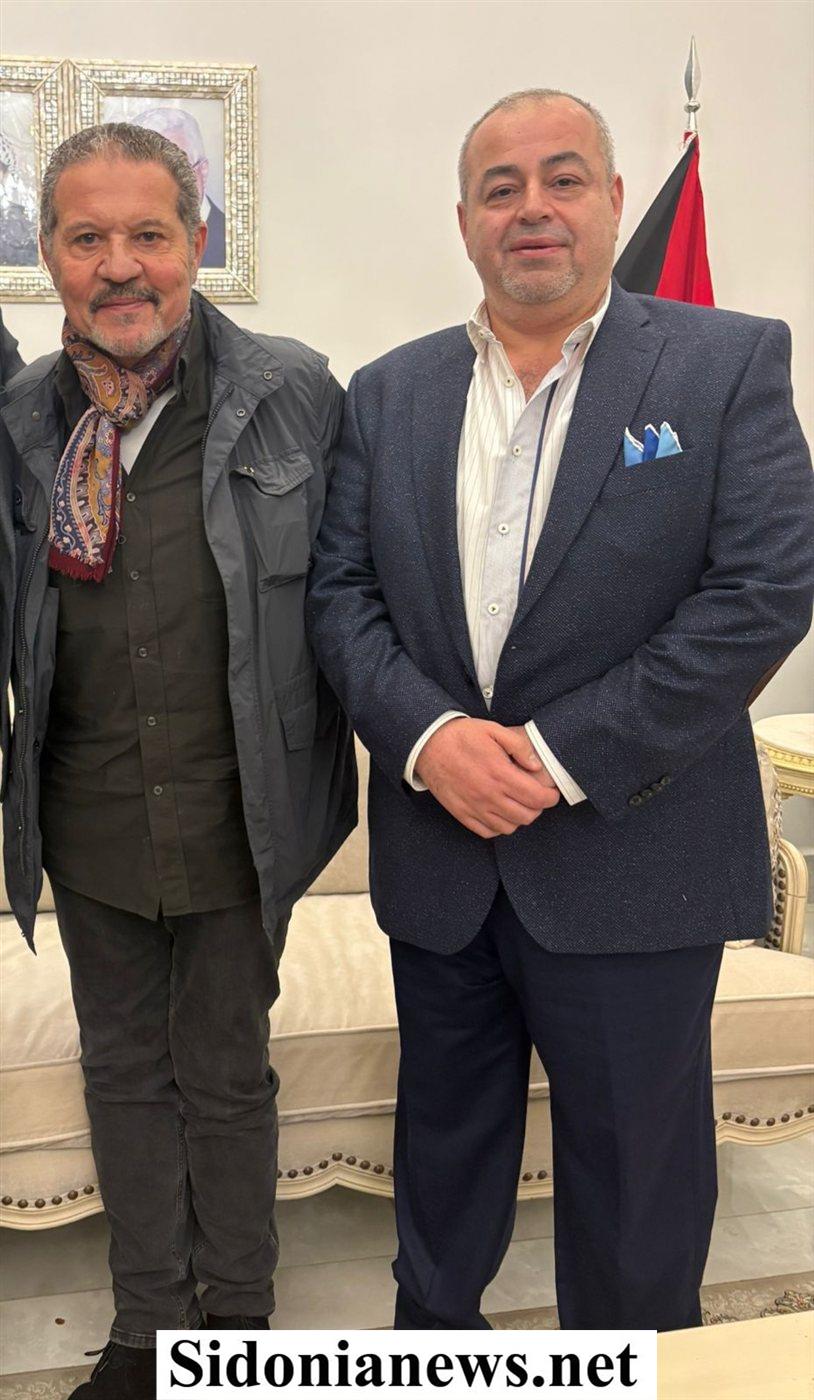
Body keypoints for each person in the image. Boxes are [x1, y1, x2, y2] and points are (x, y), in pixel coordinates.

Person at [307, 89, 814, 1333]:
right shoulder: (388, 391)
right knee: (440, 1170)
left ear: (612, 201)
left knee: (637, 1194)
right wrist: (430, 739)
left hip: (635, 855)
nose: (531, 207)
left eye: (562, 177)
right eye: (500, 187)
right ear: (465, 221)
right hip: (442, 862)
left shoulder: (723, 362)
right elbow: (339, 593)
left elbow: (762, 592)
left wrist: (552, 752)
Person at [1, 122, 355, 1398]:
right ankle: (148, 1329)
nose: (120, 264)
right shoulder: (22, 420)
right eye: (87, 237)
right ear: (48, 256)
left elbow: (356, 595)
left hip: (238, 816)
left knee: (224, 1072)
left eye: (148, 233)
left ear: (196, 241)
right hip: (87, 817)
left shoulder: (294, 392)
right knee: (124, 1074)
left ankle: (237, 1328)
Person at [134, 107, 226, 266]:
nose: (159, 184)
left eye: (177, 169)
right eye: (144, 172)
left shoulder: (229, 239)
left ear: (203, 171)